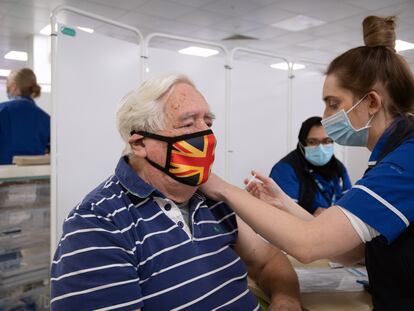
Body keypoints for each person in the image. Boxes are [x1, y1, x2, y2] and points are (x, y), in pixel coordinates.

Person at [200, 15, 414, 310]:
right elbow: (352, 252)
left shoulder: (405, 163)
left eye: (333, 103)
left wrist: (219, 186)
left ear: (372, 103)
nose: (326, 117)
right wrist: (285, 204)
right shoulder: (390, 158)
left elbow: (308, 244)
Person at [50, 74, 301, 310]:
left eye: (208, 122)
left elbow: (268, 260)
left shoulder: (212, 197)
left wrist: (286, 300)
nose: (207, 135)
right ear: (139, 143)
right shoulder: (98, 223)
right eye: (189, 123)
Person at [269, 116, 351, 215]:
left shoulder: (338, 168)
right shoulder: (285, 170)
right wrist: (311, 217)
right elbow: (280, 216)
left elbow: (350, 206)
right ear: (302, 144)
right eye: (312, 142)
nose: (321, 147)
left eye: (327, 141)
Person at [0, 68, 50, 165]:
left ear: (14, 87)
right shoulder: (46, 118)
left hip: (3, 176)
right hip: (36, 176)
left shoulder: (2, 110)